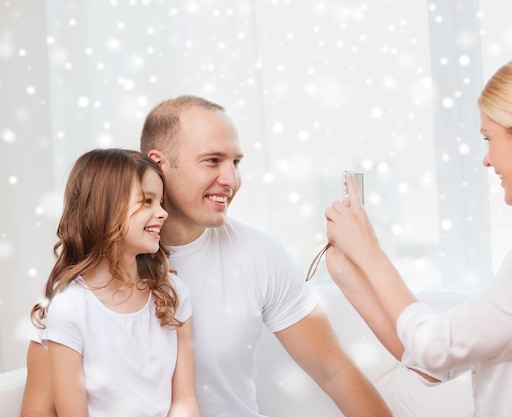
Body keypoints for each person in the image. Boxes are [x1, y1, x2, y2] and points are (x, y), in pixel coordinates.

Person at [21, 97, 393, 417]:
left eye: (236, 162)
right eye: (213, 160)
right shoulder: (79, 289)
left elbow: (333, 370)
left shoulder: (260, 255)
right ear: (159, 163)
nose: (231, 180)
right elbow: (40, 408)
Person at [324, 56, 512, 416]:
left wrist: (369, 251)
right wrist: (349, 273)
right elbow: (432, 364)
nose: (487, 159)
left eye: (489, 138)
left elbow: (436, 347)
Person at [24, 149, 199, 417]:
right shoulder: (70, 307)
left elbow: (184, 402)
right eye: (148, 201)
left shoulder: (172, 293)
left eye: (161, 202)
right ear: (104, 210)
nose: (163, 213)